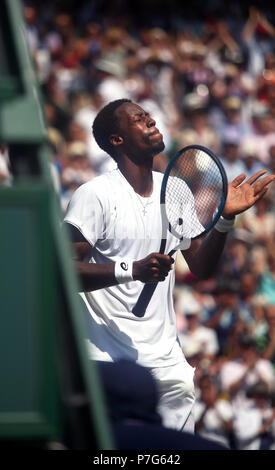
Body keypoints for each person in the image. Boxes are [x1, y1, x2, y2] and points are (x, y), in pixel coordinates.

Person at [64, 98, 275, 433]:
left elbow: (201, 268)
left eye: (149, 114)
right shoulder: (95, 195)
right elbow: (64, 271)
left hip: (168, 365)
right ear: (117, 139)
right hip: (108, 361)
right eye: (138, 118)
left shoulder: (175, 188)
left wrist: (223, 221)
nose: (150, 119)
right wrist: (130, 270)